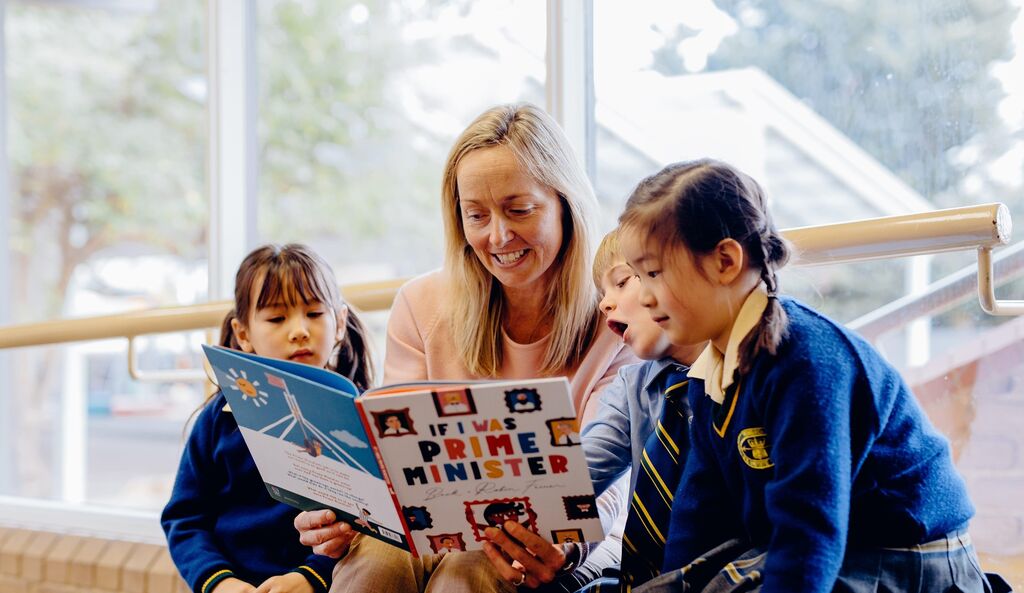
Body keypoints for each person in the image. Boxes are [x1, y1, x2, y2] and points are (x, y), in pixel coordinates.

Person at [294, 103, 636, 593]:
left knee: (469, 571)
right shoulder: (421, 304)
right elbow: (392, 460)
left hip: (549, 547)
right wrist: (345, 509)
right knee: (376, 563)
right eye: (476, 215)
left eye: (519, 210)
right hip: (427, 534)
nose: (497, 236)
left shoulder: (616, 316)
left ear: (566, 204)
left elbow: (610, 473)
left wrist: (566, 546)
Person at [617, 159, 991, 593]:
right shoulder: (709, 376)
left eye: (654, 273)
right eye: (638, 277)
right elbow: (698, 516)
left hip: (906, 553)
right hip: (814, 543)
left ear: (725, 261)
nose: (643, 296)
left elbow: (810, 526)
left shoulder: (807, 362)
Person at [482, 228, 705, 592]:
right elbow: (574, 476)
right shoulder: (632, 387)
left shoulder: (748, 382)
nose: (605, 303)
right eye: (603, 293)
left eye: (620, 282)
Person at [161, 244, 374, 593]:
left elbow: (368, 525)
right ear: (243, 334)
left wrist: (309, 577)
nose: (299, 330)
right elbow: (184, 518)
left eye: (315, 313)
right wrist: (219, 583)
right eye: (277, 318)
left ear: (339, 323)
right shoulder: (218, 419)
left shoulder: (359, 417)